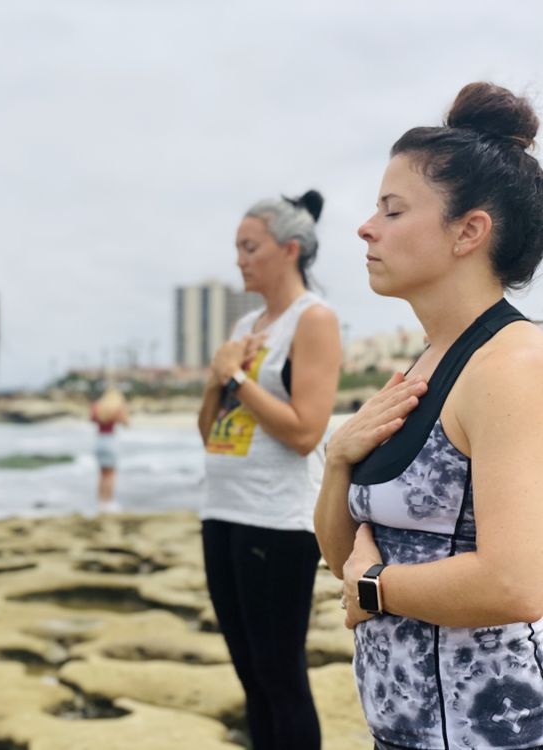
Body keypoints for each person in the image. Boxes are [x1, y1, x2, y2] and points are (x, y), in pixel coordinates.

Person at [314, 82, 543, 750]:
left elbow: (516, 582)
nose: (366, 226)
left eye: (392, 209)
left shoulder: (511, 365)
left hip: (491, 733)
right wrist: (337, 462)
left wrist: (376, 589)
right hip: (404, 728)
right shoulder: (424, 364)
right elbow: (342, 559)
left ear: (470, 231)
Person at [197, 190, 342, 750]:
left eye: (248, 246)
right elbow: (208, 430)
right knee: (249, 677)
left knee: (280, 675)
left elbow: (306, 431)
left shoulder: (315, 320)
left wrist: (236, 380)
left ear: (289, 249)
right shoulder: (246, 326)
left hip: (277, 520)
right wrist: (217, 379)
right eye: (236, 246)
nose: (238, 258)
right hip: (222, 511)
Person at [90, 384, 130, 512]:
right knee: (110, 475)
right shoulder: (117, 408)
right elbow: (126, 423)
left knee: (102, 474)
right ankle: (109, 502)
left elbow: (91, 419)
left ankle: (101, 502)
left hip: (98, 440)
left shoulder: (97, 406)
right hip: (110, 441)